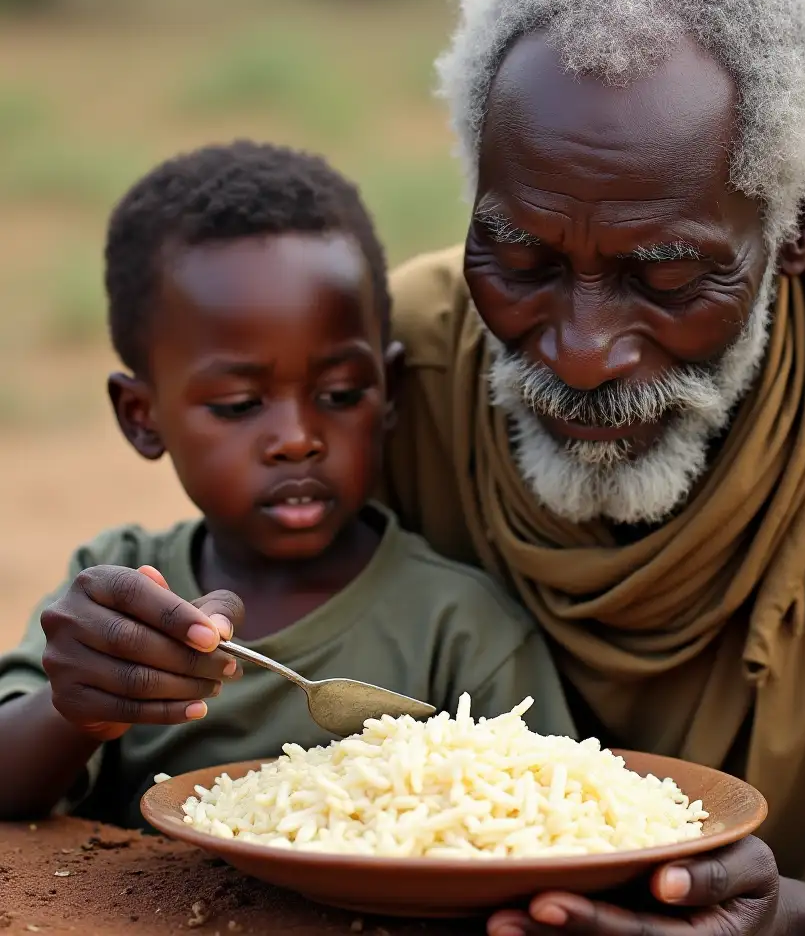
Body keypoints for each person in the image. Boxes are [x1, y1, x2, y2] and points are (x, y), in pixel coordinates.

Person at [379, 0, 805, 934]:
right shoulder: (395, 365)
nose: (582, 351)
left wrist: (794, 923)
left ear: (800, 217)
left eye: (667, 273)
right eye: (525, 260)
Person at [0, 140, 574, 829]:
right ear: (142, 417)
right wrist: (79, 707)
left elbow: (553, 817)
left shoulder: (460, 629)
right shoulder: (120, 597)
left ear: (388, 393)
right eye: (240, 406)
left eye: (339, 393)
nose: (298, 437)